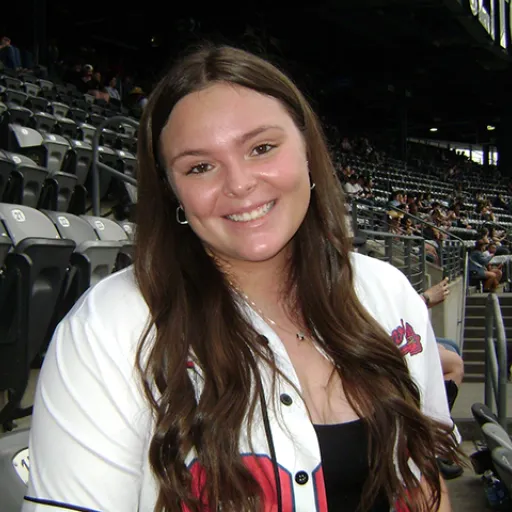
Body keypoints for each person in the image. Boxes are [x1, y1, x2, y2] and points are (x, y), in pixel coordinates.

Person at [24, 45, 459, 512]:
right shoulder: (107, 331)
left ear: (309, 151)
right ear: (171, 189)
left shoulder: (389, 293)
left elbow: (425, 486)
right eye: (200, 167)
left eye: (262, 148)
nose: (239, 183)